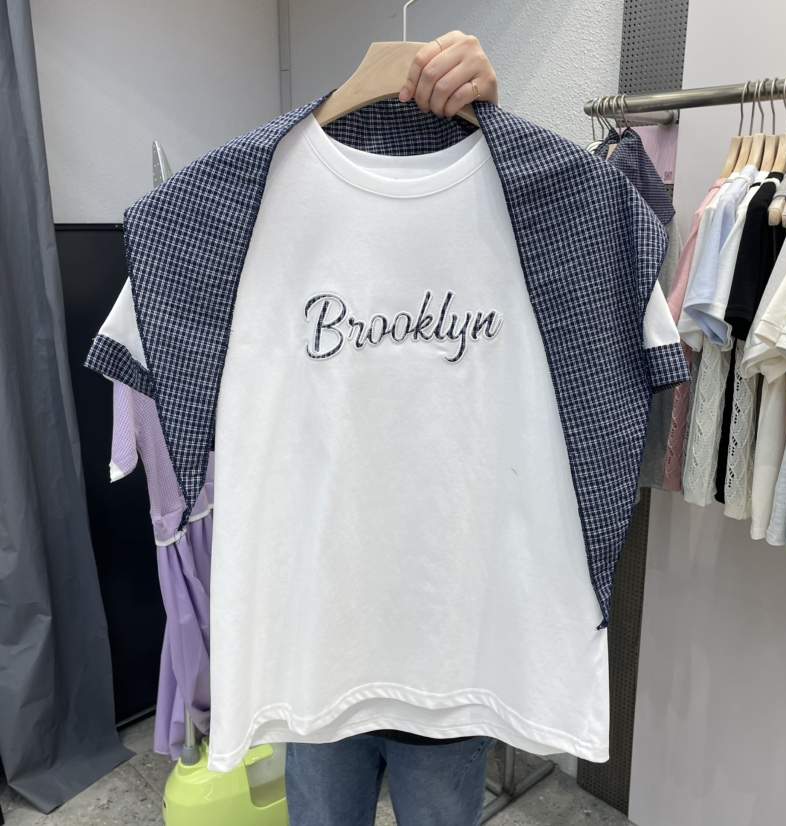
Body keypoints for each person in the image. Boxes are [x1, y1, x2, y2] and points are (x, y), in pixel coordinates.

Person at [284, 31, 501, 826]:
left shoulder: (524, 210)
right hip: (320, 646)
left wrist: (498, 125)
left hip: (447, 649)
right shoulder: (261, 207)